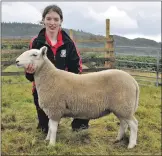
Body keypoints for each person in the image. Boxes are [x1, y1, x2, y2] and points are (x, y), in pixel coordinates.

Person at [25, 4, 89, 133]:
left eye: (56, 19)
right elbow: (29, 74)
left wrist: (66, 85)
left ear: (61, 21)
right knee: (45, 129)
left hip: (67, 87)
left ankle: (79, 123)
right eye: (48, 19)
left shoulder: (69, 43)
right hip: (43, 90)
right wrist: (29, 71)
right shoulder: (36, 42)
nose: (52, 23)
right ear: (43, 20)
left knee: (84, 103)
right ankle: (47, 122)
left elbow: (76, 68)